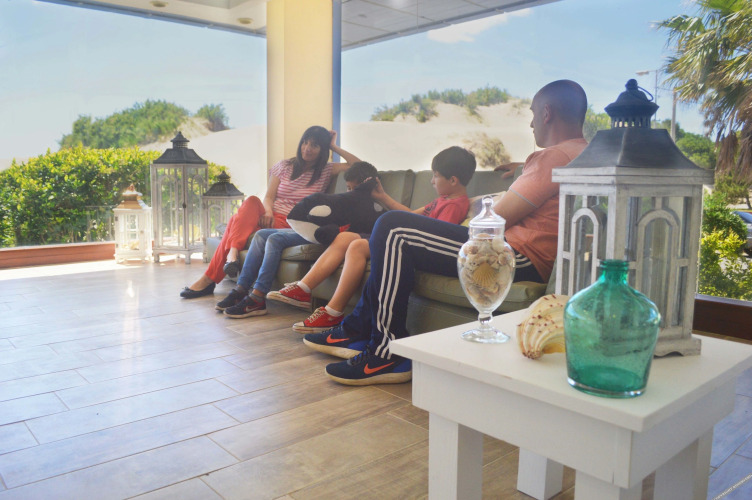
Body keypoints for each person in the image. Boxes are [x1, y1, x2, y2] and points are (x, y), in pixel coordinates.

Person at [303, 80, 589, 386]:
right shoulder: (582, 154)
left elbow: (498, 217)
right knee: (391, 232)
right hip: (516, 253)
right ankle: (359, 327)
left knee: (393, 227)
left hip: (511, 255)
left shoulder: (553, 157)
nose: (531, 124)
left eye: (533, 114)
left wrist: (479, 208)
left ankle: (386, 353)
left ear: (547, 113)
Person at [267, 146, 476, 336]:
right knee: (345, 237)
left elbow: (436, 235)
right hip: (407, 239)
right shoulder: (441, 200)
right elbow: (411, 216)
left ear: (453, 180)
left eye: (436, 176)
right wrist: (383, 197)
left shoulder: (454, 205)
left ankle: (332, 311)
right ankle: (304, 289)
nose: (432, 181)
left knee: (357, 245)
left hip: (413, 247)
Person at [179, 125, 360, 302]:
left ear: (323, 149)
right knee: (251, 201)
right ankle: (232, 254)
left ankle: (210, 278)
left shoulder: (326, 170)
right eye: (305, 142)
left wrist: (334, 146)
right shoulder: (284, 166)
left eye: (314, 145)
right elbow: (269, 197)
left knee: (235, 222)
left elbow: (359, 165)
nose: (307, 148)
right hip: (269, 216)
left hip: (290, 223)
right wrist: (267, 212)